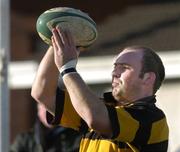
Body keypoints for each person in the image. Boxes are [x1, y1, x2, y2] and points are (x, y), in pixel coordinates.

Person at [31, 26, 169, 152]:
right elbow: (42, 93)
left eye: (124, 67)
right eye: (115, 67)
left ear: (148, 78)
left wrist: (67, 68)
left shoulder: (152, 119)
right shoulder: (102, 109)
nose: (115, 72)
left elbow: (95, 117)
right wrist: (58, 42)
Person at [10, 103, 82, 152]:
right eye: (44, 108)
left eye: (52, 108)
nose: (48, 113)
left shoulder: (76, 137)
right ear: (38, 111)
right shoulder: (25, 140)